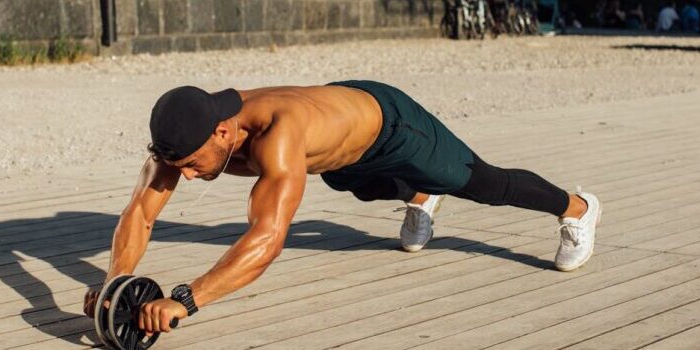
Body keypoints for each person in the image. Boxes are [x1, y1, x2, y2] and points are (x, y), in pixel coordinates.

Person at [82, 81, 602, 335]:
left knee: (479, 183)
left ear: (224, 132)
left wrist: (185, 299)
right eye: (182, 167)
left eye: (195, 165)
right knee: (357, 187)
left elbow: (266, 238)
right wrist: (116, 285)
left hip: (392, 126)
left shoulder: (277, 137)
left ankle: (576, 207)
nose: (189, 177)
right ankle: (419, 197)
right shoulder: (185, 138)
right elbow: (140, 214)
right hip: (341, 149)